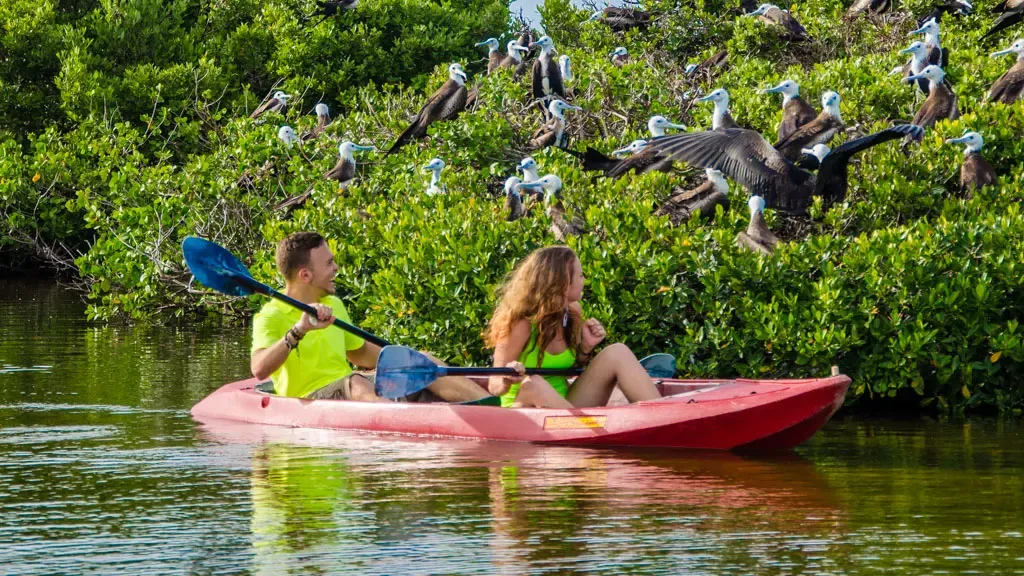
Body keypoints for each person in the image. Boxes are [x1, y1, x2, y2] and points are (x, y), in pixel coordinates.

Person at [250, 231, 488, 403]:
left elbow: (360, 353)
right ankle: (402, 428)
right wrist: (298, 331)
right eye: (329, 263)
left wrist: (408, 358)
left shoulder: (333, 304)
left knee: (420, 361)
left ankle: (494, 410)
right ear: (305, 275)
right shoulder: (270, 316)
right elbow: (259, 369)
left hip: (348, 388)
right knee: (355, 382)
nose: (336, 268)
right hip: (310, 397)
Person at [483, 245, 662, 408]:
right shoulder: (521, 323)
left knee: (617, 352)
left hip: (564, 406)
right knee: (533, 384)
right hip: (522, 411)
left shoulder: (573, 312)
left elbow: (569, 371)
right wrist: (507, 379)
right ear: (562, 282)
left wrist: (585, 348)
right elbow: (494, 384)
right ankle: (590, 428)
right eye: (580, 275)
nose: (584, 280)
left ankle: (661, 415)